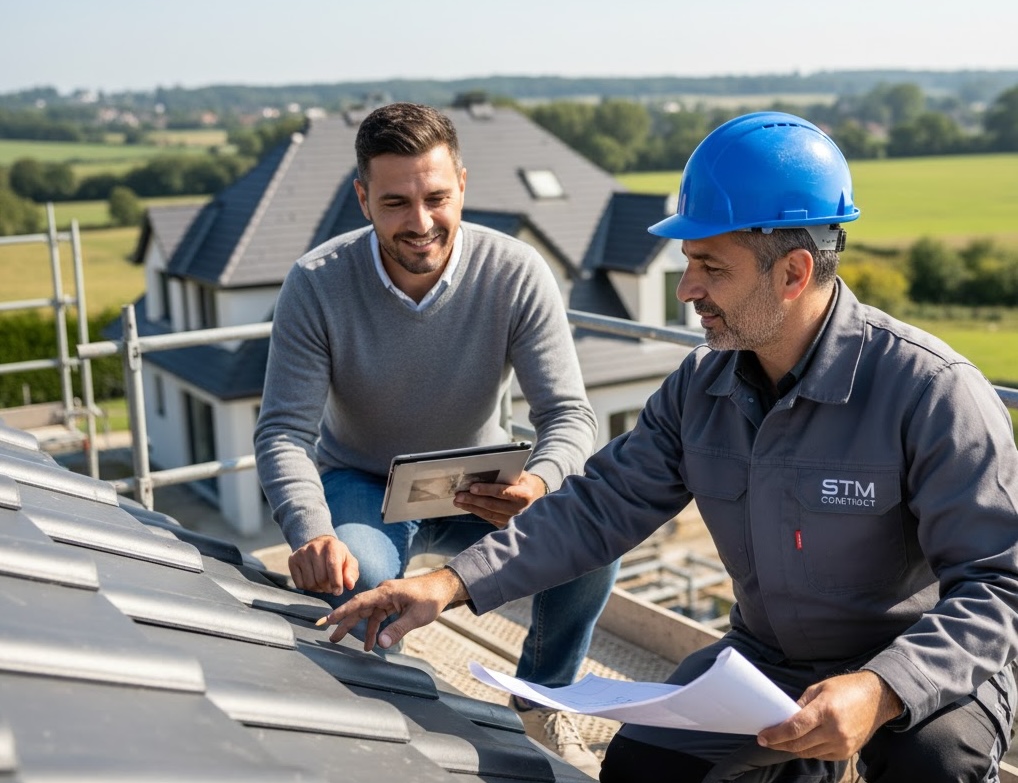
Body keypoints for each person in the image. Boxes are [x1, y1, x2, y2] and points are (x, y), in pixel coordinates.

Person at [318, 111, 1018, 783]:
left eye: (710, 266)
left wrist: (881, 686)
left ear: (794, 273)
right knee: (637, 769)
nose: (687, 289)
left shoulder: (932, 392)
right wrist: (446, 585)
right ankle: (802, 765)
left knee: (935, 764)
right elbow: (594, 508)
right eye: (688, 263)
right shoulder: (700, 389)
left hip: (924, 666)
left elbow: (998, 587)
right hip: (771, 663)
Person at [254, 101, 618, 776]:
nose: (420, 222)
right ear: (362, 198)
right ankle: (392, 723)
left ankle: (541, 699)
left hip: (479, 486)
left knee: (591, 540)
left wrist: (534, 483)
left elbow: (569, 416)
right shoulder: (316, 282)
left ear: (463, 187)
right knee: (354, 576)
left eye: (436, 197)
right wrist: (309, 529)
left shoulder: (516, 271)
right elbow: (282, 430)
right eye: (395, 201)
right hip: (362, 481)